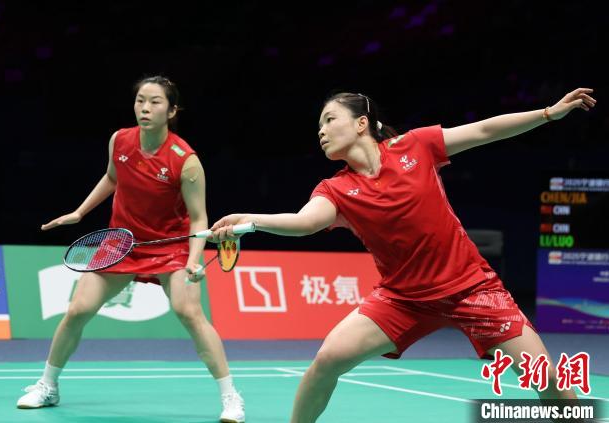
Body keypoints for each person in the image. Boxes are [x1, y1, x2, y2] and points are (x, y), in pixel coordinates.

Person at [210, 88, 596, 422]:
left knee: (546, 378)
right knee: (327, 361)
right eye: (319, 126)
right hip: (402, 299)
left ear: (361, 123)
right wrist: (251, 221)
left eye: (329, 120)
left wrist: (548, 113)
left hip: (472, 289)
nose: (321, 131)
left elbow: (483, 130)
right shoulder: (336, 189)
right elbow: (304, 222)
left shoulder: (416, 146)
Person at [17, 76, 245, 423]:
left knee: (189, 313)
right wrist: (80, 212)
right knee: (78, 309)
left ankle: (231, 397)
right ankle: (48, 385)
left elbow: (199, 218)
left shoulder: (185, 160)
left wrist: (193, 261)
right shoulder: (120, 140)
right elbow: (113, 177)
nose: (145, 108)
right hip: (122, 242)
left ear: (172, 111)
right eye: (140, 101)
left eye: (155, 102)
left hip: (169, 245)